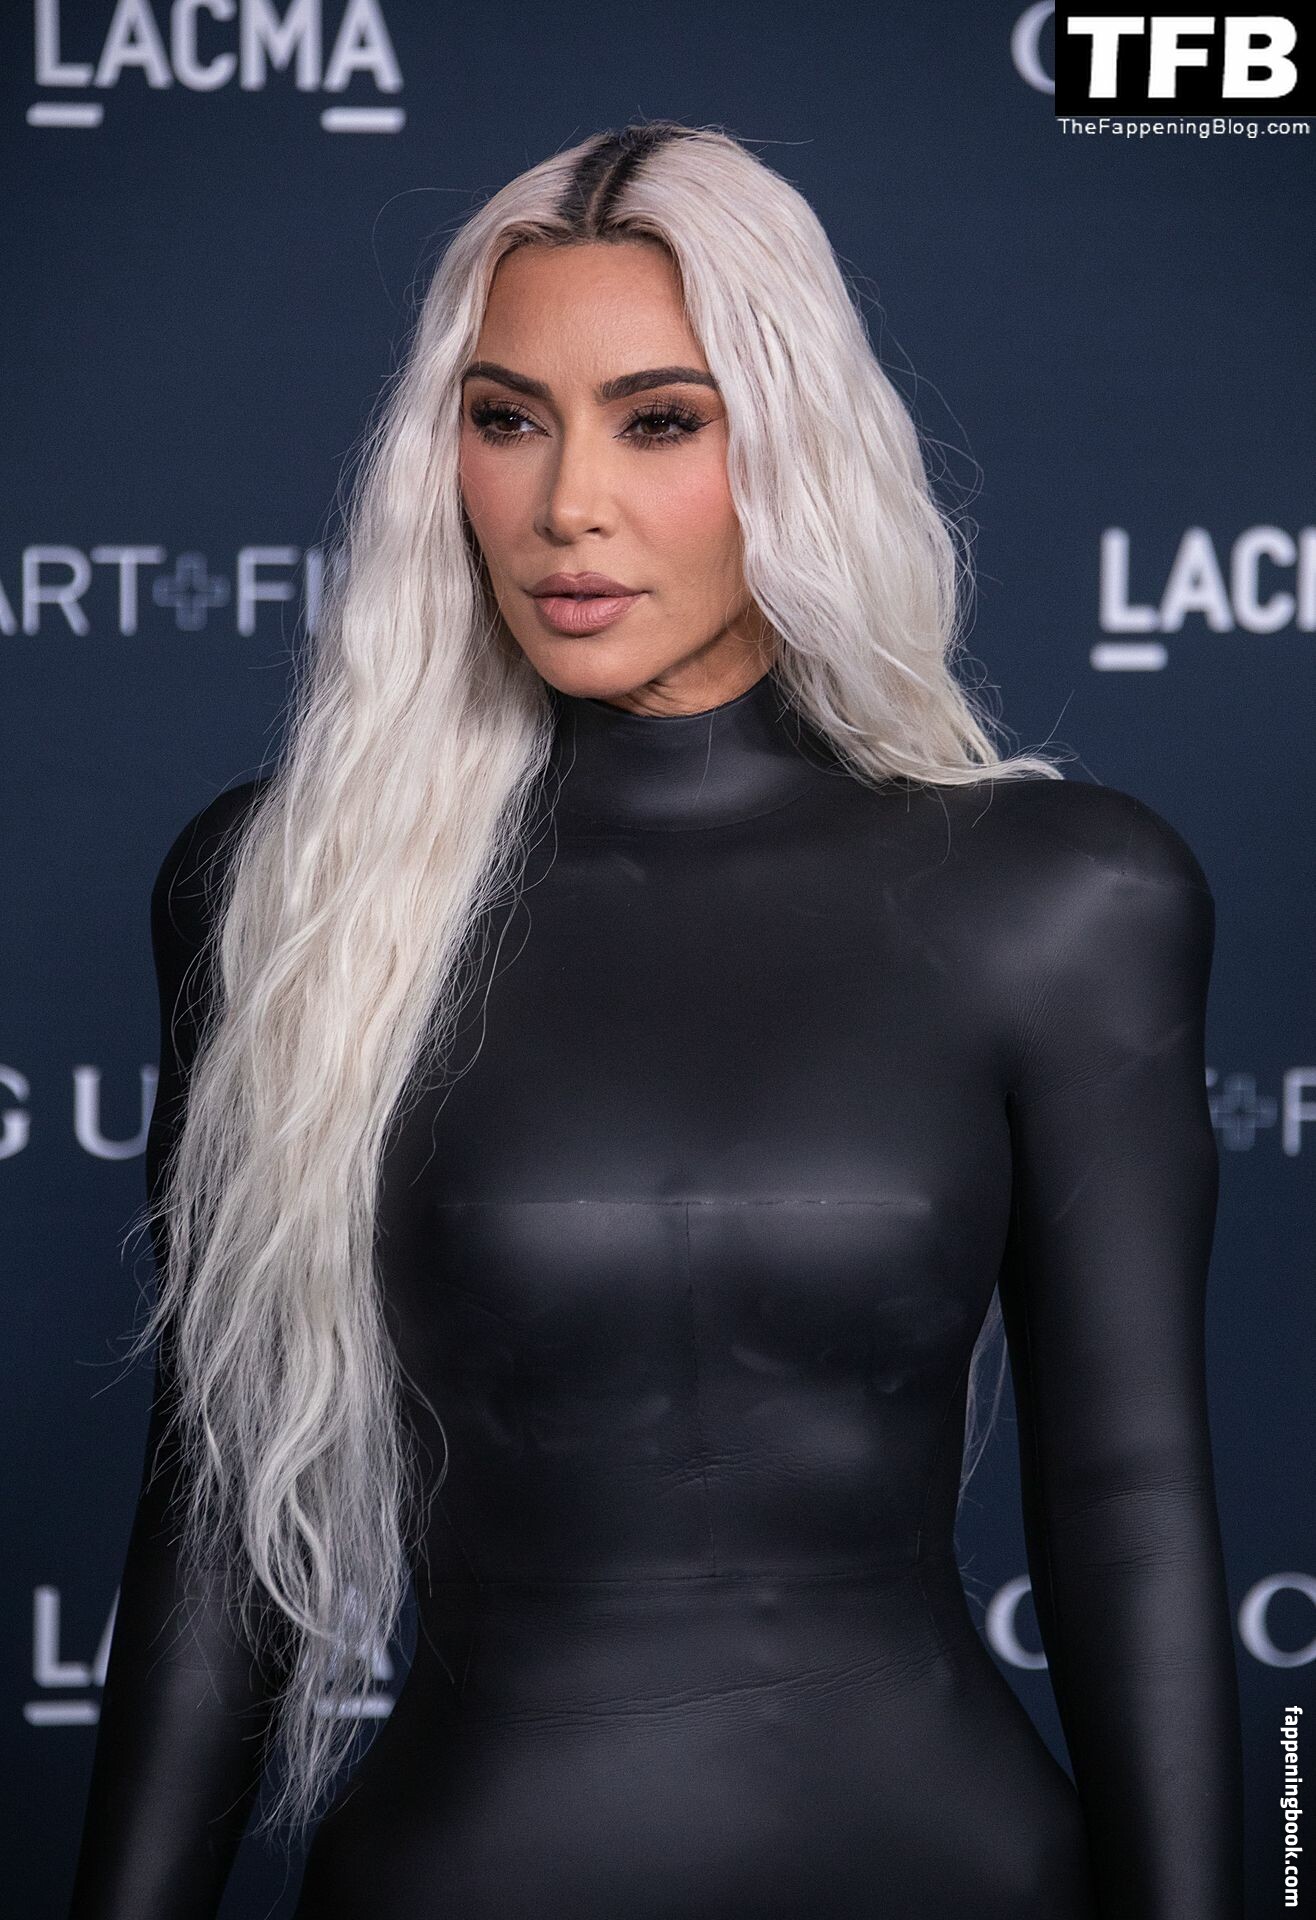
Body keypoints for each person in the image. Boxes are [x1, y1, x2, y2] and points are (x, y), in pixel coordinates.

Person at [66, 120, 1244, 1919]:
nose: (568, 506)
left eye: (660, 421)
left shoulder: (1065, 896)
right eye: (507, 417)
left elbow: (1133, 1503)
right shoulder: (285, 896)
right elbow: (222, 1527)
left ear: (791, 441)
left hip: (958, 1872)